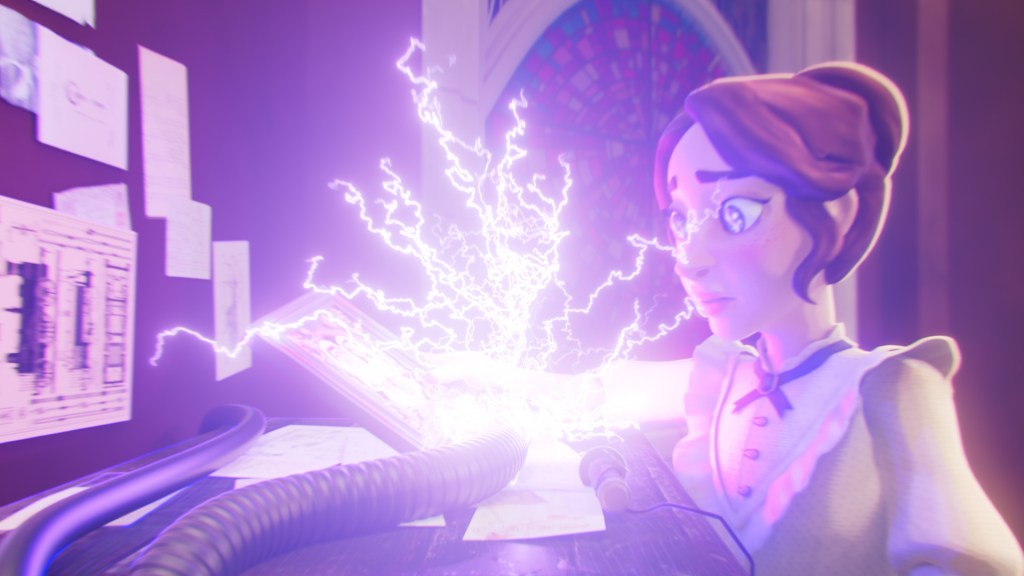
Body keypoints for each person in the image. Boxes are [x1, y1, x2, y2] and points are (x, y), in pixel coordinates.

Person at [433, 62, 1023, 574]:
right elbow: (595, 394)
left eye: (736, 213)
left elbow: (971, 558)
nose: (688, 257)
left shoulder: (892, 386)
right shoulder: (723, 375)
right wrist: (486, 376)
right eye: (680, 219)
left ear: (838, 216)